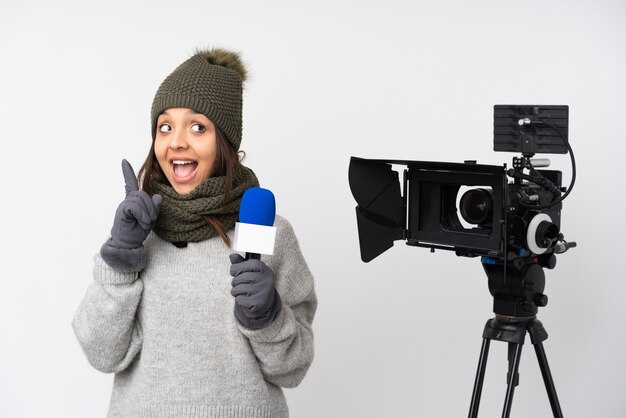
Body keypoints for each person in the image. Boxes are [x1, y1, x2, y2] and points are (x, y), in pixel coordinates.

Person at [72, 47, 317, 418]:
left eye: (197, 127)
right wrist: (120, 258)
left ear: (225, 143)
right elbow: (102, 354)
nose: (177, 142)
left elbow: (293, 369)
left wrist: (268, 316)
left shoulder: (270, 234)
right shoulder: (139, 234)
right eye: (165, 126)